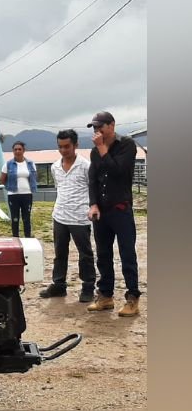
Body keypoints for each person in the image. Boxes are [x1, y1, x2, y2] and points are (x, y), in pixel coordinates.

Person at [85, 111, 142, 317]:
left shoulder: (126, 145)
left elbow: (118, 170)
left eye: (100, 126)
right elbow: (93, 180)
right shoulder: (94, 152)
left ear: (112, 126)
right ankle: (106, 296)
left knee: (127, 254)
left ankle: (132, 299)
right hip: (101, 212)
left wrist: (102, 148)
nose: (97, 130)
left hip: (121, 209)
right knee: (103, 255)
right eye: (94, 127)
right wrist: (93, 204)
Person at [40, 130, 95, 302]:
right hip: (60, 216)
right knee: (59, 252)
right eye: (60, 147)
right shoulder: (55, 167)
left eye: (67, 146)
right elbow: (59, 188)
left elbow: (93, 189)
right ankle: (59, 285)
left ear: (76, 145)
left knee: (85, 254)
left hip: (80, 217)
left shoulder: (86, 166)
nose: (64, 150)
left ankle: (88, 286)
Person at [0, 141, 37, 237]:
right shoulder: (8, 164)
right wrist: (10, 188)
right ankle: (15, 237)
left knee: (26, 218)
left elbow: (33, 177)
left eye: (19, 149)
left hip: (27, 194)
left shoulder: (30, 163)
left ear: (24, 150)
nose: (17, 151)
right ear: (13, 151)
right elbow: (2, 179)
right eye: (15, 149)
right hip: (13, 195)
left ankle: (27, 237)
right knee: (15, 218)